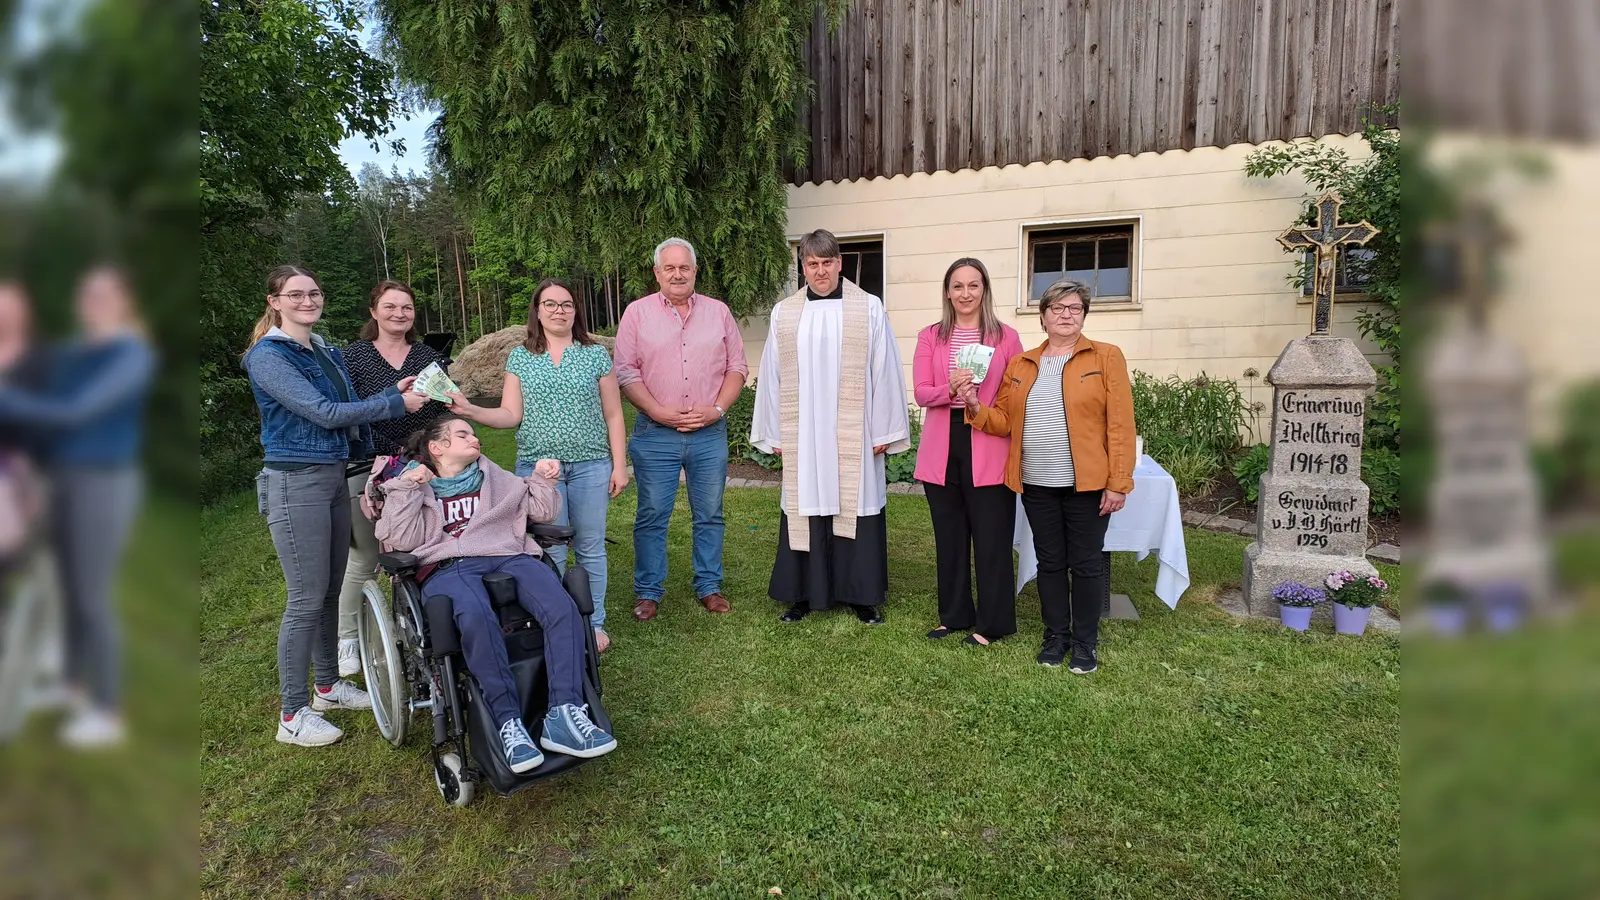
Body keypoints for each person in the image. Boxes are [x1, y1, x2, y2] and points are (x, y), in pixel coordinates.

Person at [242, 265, 428, 747]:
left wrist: (393, 393)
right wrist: (394, 407)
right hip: (295, 481)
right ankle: (291, 714)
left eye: (315, 293)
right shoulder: (268, 355)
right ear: (274, 301)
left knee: (326, 591)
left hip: (332, 475)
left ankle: (327, 687)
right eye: (296, 294)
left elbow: (349, 403)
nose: (308, 300)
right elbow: (324, 414)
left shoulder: (321, 349)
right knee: (305, 598)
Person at [373, 417, 617, 772]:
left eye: (474, 434)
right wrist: (406, 488)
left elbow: (542, 511)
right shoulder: (416, 485)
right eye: (463, 434)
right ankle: (507, 722)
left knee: (560, 605)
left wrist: (542, 479)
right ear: (437, 448)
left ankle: (563, 713)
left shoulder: (496, 477)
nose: (474, 438)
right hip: (449, 563)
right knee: (474, 615)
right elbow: (401, 539)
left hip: (508, 554)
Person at [0, 268, 156, 747]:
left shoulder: (133, 354)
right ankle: (72, 686)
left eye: (107, 294)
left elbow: (76, 413)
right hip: (59, 480)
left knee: (91, 594)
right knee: (66, 588)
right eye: (89, 294)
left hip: (104, 483)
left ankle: (106, 711)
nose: (96, 301)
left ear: (125, 301)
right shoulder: (71, 353)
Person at [956, 279, 1135, 673]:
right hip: (1036, 482)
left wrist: (1118, 482)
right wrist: (973, 404)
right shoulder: (1021, 364)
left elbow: (1121, 425)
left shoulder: (1106, 357)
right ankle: (1056, 636)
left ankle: (1085, 643)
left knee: (1086, 564)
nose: (1066, 314)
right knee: (1050, 562)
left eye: (1074, 308)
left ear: (1084, 315)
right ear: (1043, 317)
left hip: (1086, 484)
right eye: (1057, 308)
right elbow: (1003, 421)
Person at [447, 280, 627, 652]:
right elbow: (511, 415)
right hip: (540, 471)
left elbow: (613, 414)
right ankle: (559, 619)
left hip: (592, 464)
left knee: (591, 545)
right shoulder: (521, 357)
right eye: (551, 304)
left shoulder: (594, 355)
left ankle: (594, 623)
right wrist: (470, 410)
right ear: (538, 310)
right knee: (550, 548)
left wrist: (619, 465)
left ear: (575, 310)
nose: (559, 310)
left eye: (566, 304)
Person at [750, 229, 911, 624]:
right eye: (811, 264)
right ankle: (803, 594)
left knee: (855, 503)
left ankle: (861, 595)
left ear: (840, 263)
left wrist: (884, 431)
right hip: (802, 430)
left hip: (853, 432)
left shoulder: (868, 307)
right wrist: (774, 432)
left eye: (827, 262)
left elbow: (885, 370)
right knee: (805, 504)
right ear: (802, 266)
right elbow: (772, 375)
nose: (820, 271)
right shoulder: (784, 312)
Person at [612, 238, 748, 622]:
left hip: (708, 434)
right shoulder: (636, 314)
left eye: (683, 267)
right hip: (656, 434)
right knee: (653, 513)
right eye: (668, 268)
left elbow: (737, 367)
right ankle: (649, 591)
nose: (677, 274)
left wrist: (718, 408)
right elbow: (625, 371)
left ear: (694, 271)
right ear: (657, 273)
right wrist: (659, 411)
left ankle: (709, 585)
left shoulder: (719, 312)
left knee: (709, 513)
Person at [336, 280, 452, 676]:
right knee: (365, 555)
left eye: (406, 307)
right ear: (374, 311)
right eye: (390, 307)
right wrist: (391, 397)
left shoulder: (427, 356)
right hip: (367, 463)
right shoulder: (352, 359)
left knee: (425, 547)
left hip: (423, 466)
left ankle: (422, 623)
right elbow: (343, 411)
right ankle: (348, 637)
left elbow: (445, 408)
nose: (399, 314)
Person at [912, 258, 1025, 647]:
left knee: (992, 538)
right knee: (950, 537)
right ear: (947, 292)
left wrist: (979, 402)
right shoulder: (930, 336)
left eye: (973, 286)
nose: (965, 294)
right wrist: (951, 389)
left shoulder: (1006, 337)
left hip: (989, 441)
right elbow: (922, 392)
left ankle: (993, 623)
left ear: (984, 290)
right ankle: (955, 615)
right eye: (957, 286)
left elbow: (1016, 395)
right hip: (943, 446)